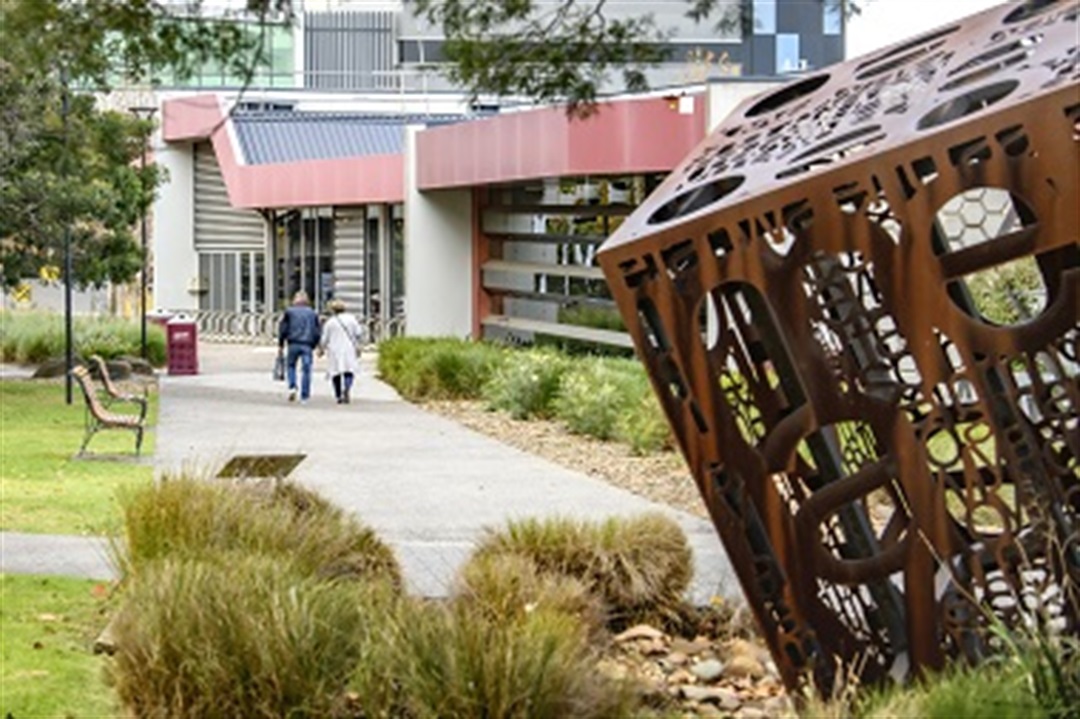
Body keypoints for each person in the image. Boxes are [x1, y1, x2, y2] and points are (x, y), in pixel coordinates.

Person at [278, 291, 320, 403]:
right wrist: (315, 344)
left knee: (291, 366)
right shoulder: (312, 313)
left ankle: (292, 386)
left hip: (293, 343)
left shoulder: (289, 312)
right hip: (307, 344)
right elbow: (317, 331)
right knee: (307, 370)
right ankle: (304, 396)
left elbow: (283, 329)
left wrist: (281, 344)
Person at [319, 298, 364, 404]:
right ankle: (347, 388)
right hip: (349, 348)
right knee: (349, 370)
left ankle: (338, 395)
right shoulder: (351, 319)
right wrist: (359, 345)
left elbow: (325, 338)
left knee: (336, 373)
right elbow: (359, 333)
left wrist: (321, 349)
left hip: (334, 349)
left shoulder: (330, 322)